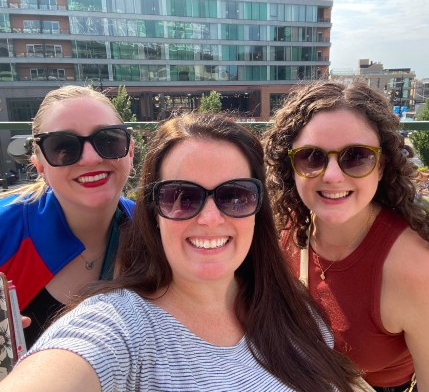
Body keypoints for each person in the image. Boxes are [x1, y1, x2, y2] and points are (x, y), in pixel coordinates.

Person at [1, 114, 360, 392]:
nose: (209, 218)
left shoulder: (292, 305)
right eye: (181, 197)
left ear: (257, 209)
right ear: (153, 212)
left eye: (235, 195)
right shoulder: (120, 326)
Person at [264, 81, 429, 391]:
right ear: (291, 167)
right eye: (312, 157)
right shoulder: (282, 228)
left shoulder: (417, 269)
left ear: (381, 167)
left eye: (355, 156)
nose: (332, 175)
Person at [0, 86, 135, 353]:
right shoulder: (6, 230)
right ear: (40, 166)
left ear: (130, 151)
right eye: (63, 146)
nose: (91, 158)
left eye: (108, 140)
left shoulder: (159, 229)